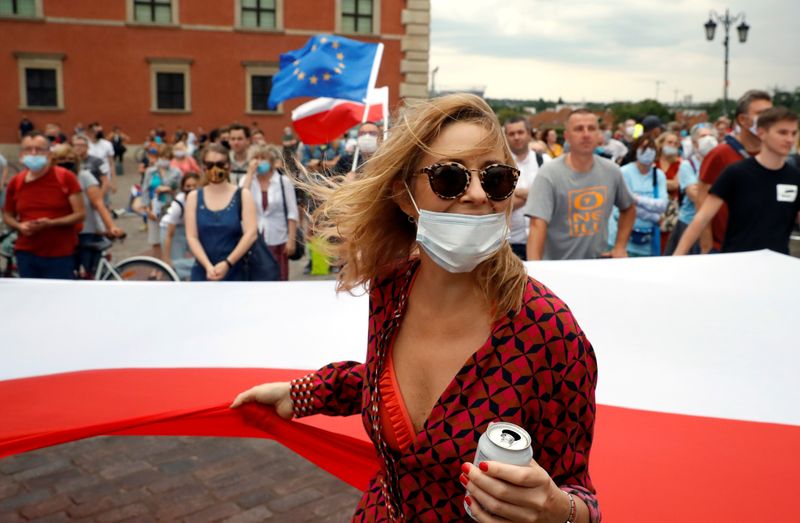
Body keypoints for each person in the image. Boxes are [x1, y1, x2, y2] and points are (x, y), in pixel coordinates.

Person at [231, 94, 600, 522]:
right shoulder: (390, 287)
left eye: (496, 178)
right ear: (405, 197)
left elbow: (581, 495)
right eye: (450, 178)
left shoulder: (549, 331)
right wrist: (304, 393)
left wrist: (558, 510)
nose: (479, 195)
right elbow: (380, 381)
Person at [674, 107, 800, 256]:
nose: (789, 139)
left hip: (777, 264)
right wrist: (676, 259)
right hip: (736, 262)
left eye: (793, 133)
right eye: (782, 132)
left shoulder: (794, 177)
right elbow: (702, 218)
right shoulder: (736, 173)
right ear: (762, 133)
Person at [525, 109, 636, 260]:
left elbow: (629, 207)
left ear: (599, 135)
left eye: (591, 128)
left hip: (597, 265)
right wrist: (535, 275)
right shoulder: (549, 174)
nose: (586, 134)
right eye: (578, 129)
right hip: (557, 268)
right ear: (566, 136)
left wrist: (620, 247)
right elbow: (537, 225)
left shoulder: (612, 171)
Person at [697, 90, 773, 253]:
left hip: (763, 250)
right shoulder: (720, 154)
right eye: (761, 113)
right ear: (743, 120)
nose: (769, 119)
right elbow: (702, 197)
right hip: (724, 248)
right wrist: (706, 244)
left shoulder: (774, 156)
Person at [2, 132, 85, 279]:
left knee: (60, 299)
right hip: (26, 253)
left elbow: (80, 214)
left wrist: (51, 223)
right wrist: (19, 226)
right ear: (22, 154)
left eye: (39, 149)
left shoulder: (65, 178)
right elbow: (7, 215)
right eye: (28, 149)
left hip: (60, 254)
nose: (33, 153)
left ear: (49, 153)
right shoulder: (16, 182)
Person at [185, 144, 258, 281]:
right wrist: (208, 266)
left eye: (220, 164)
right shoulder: (193, 197)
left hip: (236, 271)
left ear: (228, 166)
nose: (215, 169)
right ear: (203, 167)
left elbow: (251, 234)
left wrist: (227, 263)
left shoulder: (243, 195)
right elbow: (191, 236)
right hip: (203, 271)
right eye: (210, 164)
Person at [49, 144, 123, 277]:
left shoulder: (84, 176)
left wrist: (111, 226)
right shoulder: (49, 179)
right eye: (61, 159)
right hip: (61, 232)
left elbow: (99, 204)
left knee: (90, 272)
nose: (66, 162)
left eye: (70, 158)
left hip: (86, 232)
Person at [240, 144, 299, 281]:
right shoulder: (247, 181)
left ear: (271, 161)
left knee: (278, 278)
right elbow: (240, 201)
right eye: (256, 158)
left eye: (263, 158)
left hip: (278, 238)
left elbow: (292, 212)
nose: (259, 161)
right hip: (253, 240)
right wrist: (249, 174)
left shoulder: (283, 182)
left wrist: (291, 239)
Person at [608, 136, 668, 257]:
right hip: (624, 240)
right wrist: (655, 217)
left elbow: (662, 205)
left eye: (651, 149)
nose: (647, 152)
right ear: (636, 150)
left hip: (649, 242)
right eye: (643, 148)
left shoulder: (658, 175)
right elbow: (624, 207)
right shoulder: (624, 172)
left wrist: (636, 199)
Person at [664, 124, 717, 255]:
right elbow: (695, 196)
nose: (708, 139)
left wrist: (702, 188)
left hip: (714, 223)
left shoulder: (720, 163)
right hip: (689, 223)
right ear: (694, 142)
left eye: (711, 136)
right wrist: (717, 190)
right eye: (703, 136)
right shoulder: (688, 165)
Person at [504, 115, 546, 260]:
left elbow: (552, 201)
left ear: (529, 134)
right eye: (511, 133)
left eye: (520, 132)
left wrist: (515, 194)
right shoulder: (499, 166)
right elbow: (500, 205)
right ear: (506, 137)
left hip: (542, 241)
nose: (516, 137)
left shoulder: (545, 162)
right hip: (510, 244)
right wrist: (536, 194)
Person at [140, 144, 182, 260]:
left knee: (168, 239)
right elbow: (145, 190)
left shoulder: (176, 172)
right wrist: (146, 209)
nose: (165, 160)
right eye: (162, 157)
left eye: (168, 158)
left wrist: (169, 189)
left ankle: (169, 263)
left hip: (169, 209)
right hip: (154, 210)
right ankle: (157, 266)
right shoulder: (150, 172)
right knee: (155, 240)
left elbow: (181, 191)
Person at [160, 172, 200, 280]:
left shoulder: (202, 199)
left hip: (187, 228)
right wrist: (166, 259)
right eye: (188, 186)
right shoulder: (179, 204)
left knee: (200, 258)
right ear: (183, 188)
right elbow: (169, 235)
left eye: (194, 186)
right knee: (176, 264)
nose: (191, 189)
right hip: (172, 229)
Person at [654, 132, 683, 253]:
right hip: (653, 207)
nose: (672, 145)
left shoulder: (679, 163)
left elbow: (676, 185)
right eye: (669, 142)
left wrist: (658, 182)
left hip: (672, 211)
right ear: (661, 144)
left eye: (675, 143)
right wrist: (667, 183)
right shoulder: (653, 161)